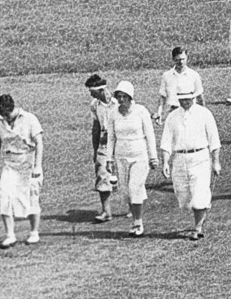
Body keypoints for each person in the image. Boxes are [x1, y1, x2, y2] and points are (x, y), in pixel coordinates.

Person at [160, 90, 221, 240]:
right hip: (180, 159)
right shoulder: (172, 117)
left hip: (200, 157)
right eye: (182, 99)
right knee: (184, 196)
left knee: (198, 195)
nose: (185, 102)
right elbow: (166, 141)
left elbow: (214, 140)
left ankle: (197, 228)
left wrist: (216, 162)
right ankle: (201, 211)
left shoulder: (204, 113)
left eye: (188, 99)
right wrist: (165, 162)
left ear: (193, 97)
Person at [104, 81, 159, 237]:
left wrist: (153, 156)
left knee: (135, 187)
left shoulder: (141, 111)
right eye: (119, 96)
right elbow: (111, 138)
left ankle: (137, 223)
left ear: (130, 97)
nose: (121, 100)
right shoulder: (113, 113)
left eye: (124, 96)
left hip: (140, 156)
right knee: (126, 191)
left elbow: (150, 135)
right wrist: (109, 159)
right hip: (121, 157)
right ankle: (135, 217)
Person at [0, 94, 43, 248]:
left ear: (10, 108)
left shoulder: (29, 118)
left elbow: (39, 143)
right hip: (10, 163)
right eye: (1, 114)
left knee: (32, 195)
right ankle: (10, 235)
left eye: (5, 113)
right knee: (4, 195)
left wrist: (37, 166)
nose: (3, 117)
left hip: (28, 161)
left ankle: (34, 232)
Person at [84, 74, 119, 222]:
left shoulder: (118, 102)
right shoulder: (94, 104)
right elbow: (96, 128)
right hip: (104, 145)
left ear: (101, 90)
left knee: (124, 174)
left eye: (92, 91)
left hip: (121, 142)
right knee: (102, 173)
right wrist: (95, 149)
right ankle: (106, 211)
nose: (90, 94)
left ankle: (132, 206)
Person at [155, 47, 204, 125]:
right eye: (177, 60)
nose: (180, 62)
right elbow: (162, 97)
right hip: (173, 111)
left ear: (187, 58)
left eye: (183, 59)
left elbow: (199, 96)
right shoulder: (167, 75)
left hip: (189, 111)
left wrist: (202, 114)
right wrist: (159, 112)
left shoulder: (194, 75)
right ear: (173, 59)